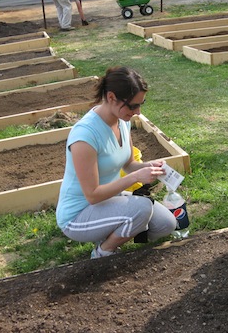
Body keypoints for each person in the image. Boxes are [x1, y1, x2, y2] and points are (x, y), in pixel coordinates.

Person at [56, 66, 177, 259]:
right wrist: (136, 177)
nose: (137, 112)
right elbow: (93, 196)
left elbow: (128, 164)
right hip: (78, 214)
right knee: (142, 208)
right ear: (111, 97)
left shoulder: (123, 120)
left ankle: (112, 227)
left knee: (166, 225)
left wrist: (150, 167)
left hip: (110, 199)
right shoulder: (84, 136)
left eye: (141, 104)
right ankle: (103, 251)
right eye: (132, 106)